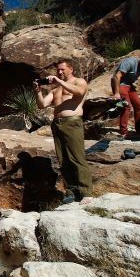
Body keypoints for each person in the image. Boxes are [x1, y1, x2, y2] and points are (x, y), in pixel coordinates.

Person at [34, 58, 93, 203]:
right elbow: (42, 105)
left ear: (71, 69)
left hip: (72, 123)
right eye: (58, 70)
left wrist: (58, 81)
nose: (59, 72)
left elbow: (79, 92)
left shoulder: (79, 82)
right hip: (57, 124)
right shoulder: (55, 90)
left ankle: (86, 193)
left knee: (76, 157)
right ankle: (72, 192)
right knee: (64, 160)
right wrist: (38, 91)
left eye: (62, 69)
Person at [111, 51, 140, 138]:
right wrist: (116, 93)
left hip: (129, 85)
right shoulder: (130, 62)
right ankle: (123, 132)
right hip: (120, 84)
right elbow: (117, 76)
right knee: (126, 106)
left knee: (139, 106)